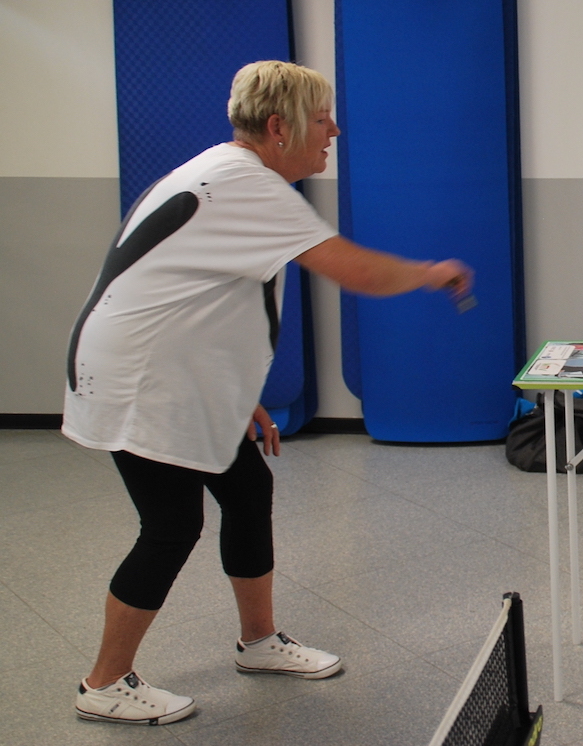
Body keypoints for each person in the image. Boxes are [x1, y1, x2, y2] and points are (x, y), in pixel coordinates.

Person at [63, 61, 474, 725]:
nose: (334, 131)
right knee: (172, 526)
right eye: (322, 119)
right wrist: (432, 272)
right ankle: (104, 682)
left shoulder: (226, 174)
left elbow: (194, 297)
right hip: (140, 385)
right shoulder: (246, 184)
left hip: (169, 375)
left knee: (248, 488)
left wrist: (233, 393)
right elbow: (357, 271)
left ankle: (258, 642)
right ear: (279, 127)